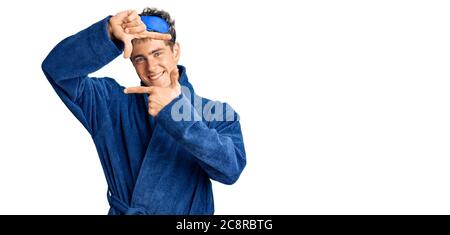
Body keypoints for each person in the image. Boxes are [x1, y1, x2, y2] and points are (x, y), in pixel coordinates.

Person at [41, 7, 246, 215]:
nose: (151, 67)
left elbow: (231, 170)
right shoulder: (111, 103)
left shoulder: (215, 113)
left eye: (157, 53)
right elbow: (57, 70)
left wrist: (175, 113)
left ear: (175, 51)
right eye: (140, 59)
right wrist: (107, 34)